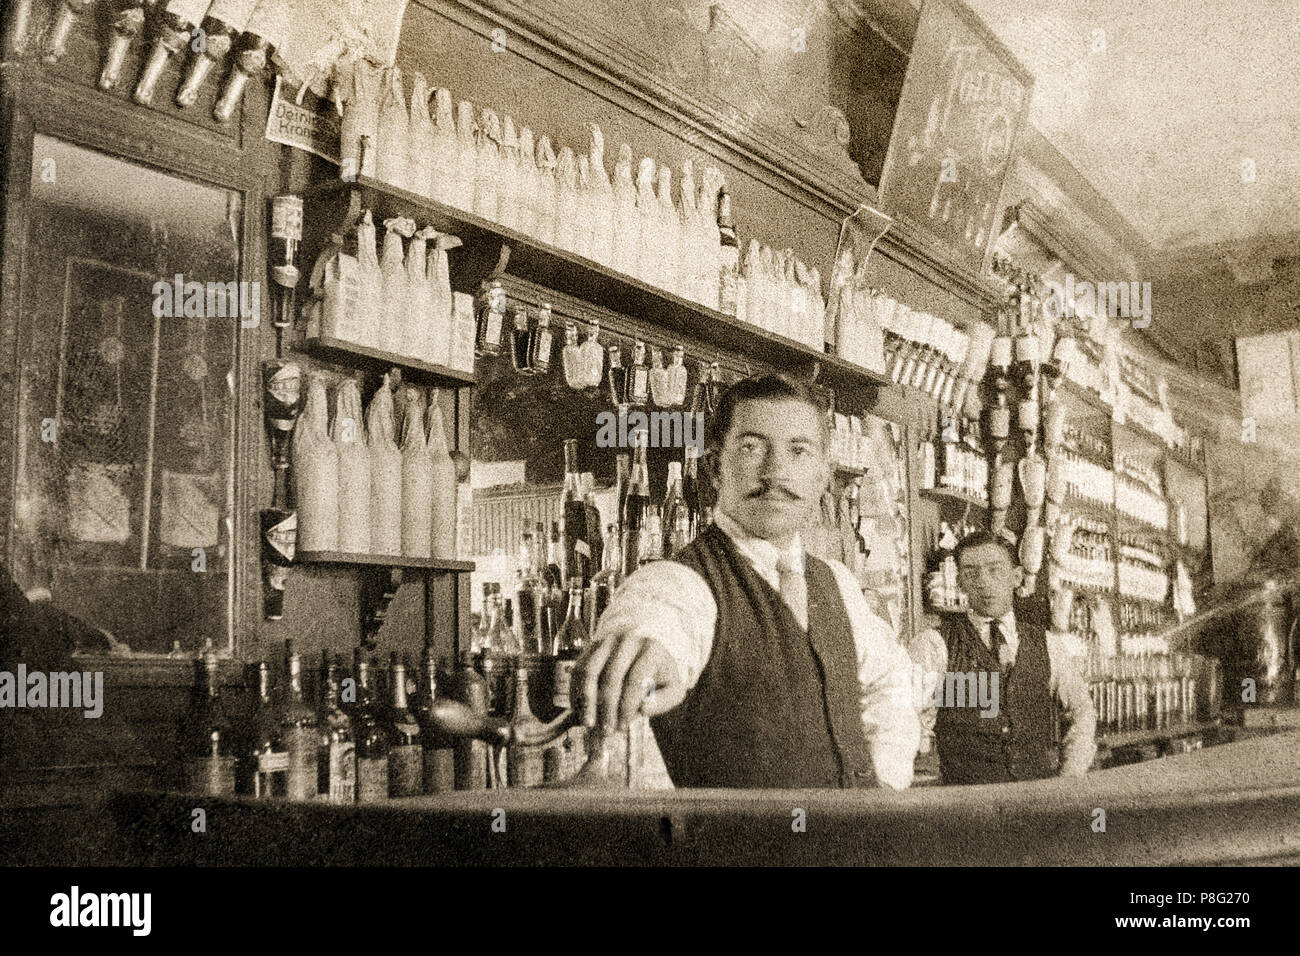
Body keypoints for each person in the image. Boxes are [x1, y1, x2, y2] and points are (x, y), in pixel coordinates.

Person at [574, 374, 919, 789]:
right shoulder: (680, 582)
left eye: (798, 450)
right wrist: (645, 651)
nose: (775, 472)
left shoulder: (839, 584)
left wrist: (884, 780)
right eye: (752, 447)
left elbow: (892, 682)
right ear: (715, 468)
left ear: (822, 475)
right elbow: (658, 616)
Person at [913, 531, 1095, 785]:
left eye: (994, 570)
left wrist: (1070, 777)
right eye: (971, 573)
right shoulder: (934, 645)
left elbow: (1082, 710)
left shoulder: (1048, 644)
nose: (984, 582)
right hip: (967, 808)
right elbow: (912, 725)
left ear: (1017, 577)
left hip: (1036, 801)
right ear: (960, 582)